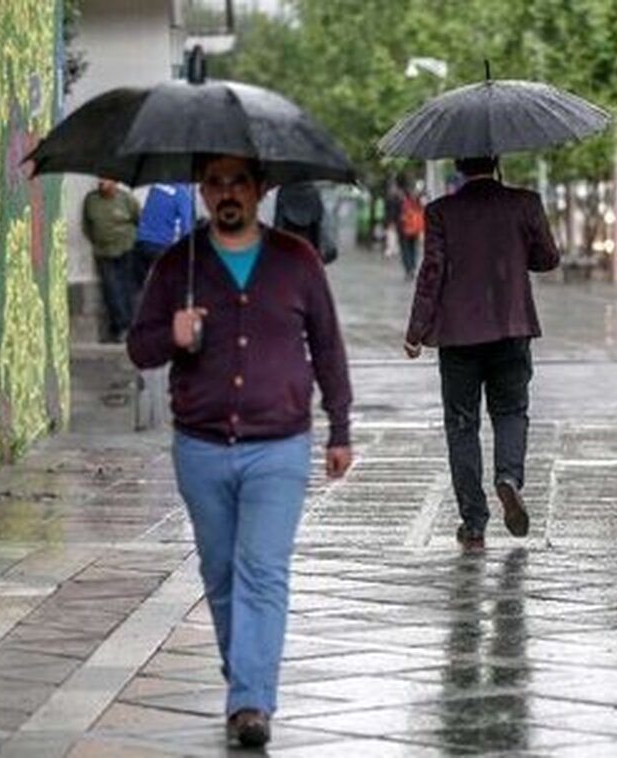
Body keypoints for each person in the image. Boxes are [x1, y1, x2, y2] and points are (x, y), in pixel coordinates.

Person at [127, 154, 353, 748]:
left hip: (279, 446)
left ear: (259, 190)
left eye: (239, 183)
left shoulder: (296, 261)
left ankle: (251, 701)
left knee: (263, 571)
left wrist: (341, 428)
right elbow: (139, 347)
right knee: (221, 573)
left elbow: (328, 345)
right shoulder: (180, 265)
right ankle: (245, 678)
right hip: (200, 447)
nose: (227, 194)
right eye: (215, 183)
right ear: (203, 193)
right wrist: (170, 334)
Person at [403, 155, 560, 549]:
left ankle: (473, 523)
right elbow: (547, 259)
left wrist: (416, 330)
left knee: (461, 425)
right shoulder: (524, 202)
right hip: (511, 327)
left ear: (459, 164)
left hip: (459, 336)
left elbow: (432, 273)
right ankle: (508, 478)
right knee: (510, 412)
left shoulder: (441, 212)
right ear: (496, 160)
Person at [82, 177, 139, 341]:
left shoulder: (126, 198)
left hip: (126, 248)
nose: (101, 182)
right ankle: (121, 326)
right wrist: (96, 240)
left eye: (106, 179)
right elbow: (86, 225)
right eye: (100, 179)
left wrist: (129, 238)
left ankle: (129, 326)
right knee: (112, 290)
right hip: (103, 251)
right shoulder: (91, 200)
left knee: (127, 288)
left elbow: (137, 218)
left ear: (115, 182)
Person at [132, 182, 194, 298]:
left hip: (140, 242)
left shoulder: (156, 187)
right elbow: (186, 228)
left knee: (141, 288)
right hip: (160, 246)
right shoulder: (182, 193)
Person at [274, 182, 337, 264]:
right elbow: (318, 222)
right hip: (309, 245)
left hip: (289, 245)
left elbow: (279, 223)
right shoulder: (314, 192)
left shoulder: (283, 191)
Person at [396, 176, 424, 279]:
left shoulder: (403, 201)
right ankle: (412, 268)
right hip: (415, 229)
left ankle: (408, 270)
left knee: (406, 250)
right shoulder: (418, 201)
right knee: (413, 249)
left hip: (404, 229)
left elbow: (399, 216)